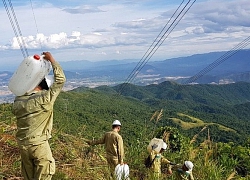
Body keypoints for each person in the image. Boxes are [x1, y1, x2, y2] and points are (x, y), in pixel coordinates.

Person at [12, 52, 66, 180]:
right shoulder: (45, 99)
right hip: (39, 145)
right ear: (43, 87)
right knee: (44, 174)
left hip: (23, 145)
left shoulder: (18, 102)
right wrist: (52, 60)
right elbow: (60, 80)